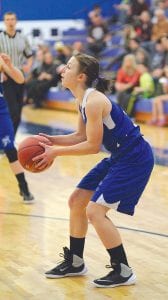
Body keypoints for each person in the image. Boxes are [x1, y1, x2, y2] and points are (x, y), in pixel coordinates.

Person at [32, 53, 154, 288]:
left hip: (134, 158)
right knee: (76, 200)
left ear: (80, 76)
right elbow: (80, 136)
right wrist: (51, 140)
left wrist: (55, 152)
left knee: (95, 211)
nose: (62, 70)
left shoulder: (94, 100)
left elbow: (92, 146)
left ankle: (123, 270)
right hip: (119, 156)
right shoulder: (82, 100)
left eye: (68, 67)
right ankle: (76, 262)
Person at [0, 53, 34, 203]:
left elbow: (20, 79)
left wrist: (10, 66)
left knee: (9, 147)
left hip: (1, 109)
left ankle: (23, 187)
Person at [0, 12, 33, 136]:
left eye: (12, 19)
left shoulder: (22, 37)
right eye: (7, 19)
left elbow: (29, 55)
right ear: (4, 22)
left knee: (18, 111)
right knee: (11, 110)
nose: (10, 21)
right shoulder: (0, 37)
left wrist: (28, 66)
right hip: (6, 76)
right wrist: (1, 71)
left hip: (19, 76)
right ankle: (6, 139)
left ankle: (11, 138)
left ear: (16, 21)